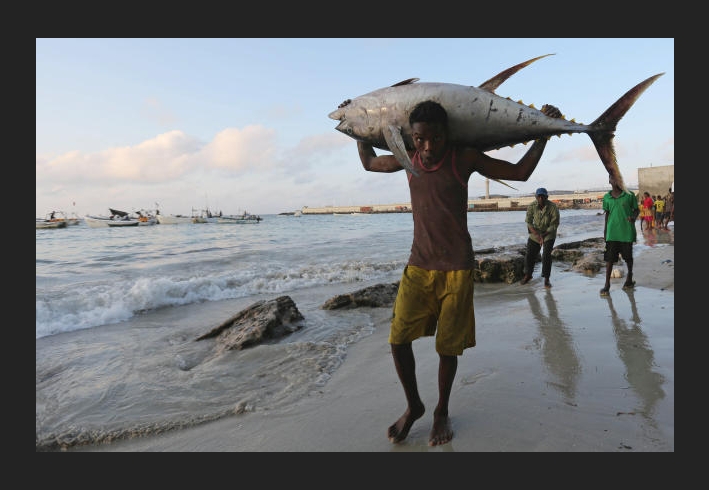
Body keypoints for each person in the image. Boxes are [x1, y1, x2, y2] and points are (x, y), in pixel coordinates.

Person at [357, 100, 562, 446]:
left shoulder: (461, 158)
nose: (427, 147)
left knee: (447, 348)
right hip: (418, 266)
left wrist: (544, 134)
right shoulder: (407, 158)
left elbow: (520, 172)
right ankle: (414, 405)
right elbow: (368, 162)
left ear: (446, 135)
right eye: (420, 139)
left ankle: (441, 411)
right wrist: (357, 122)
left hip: (456, 269)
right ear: (412, 136)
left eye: (435, 138)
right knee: (397, 340)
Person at [600, 174, 639, 296]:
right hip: (612, 233)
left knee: (628, 258)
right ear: (609, 181)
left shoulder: (629, 195)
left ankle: (630, 277)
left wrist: (633, 217)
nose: (615, 180)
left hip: (626, 232)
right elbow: (607, 214)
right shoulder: (606, 197)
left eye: (617, 178)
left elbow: (636, 209)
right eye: (612, 178)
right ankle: (607, 284)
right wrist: (605, 232)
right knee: (609, 259)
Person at [520, 187, 560, 288]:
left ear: (547, 197)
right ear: (536, 197)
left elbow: (554, 224)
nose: (541, 198)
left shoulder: (553, 207)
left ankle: (546, 279)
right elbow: (528, 222)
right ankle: (528, 275)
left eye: (543, 196)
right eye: (539, 196)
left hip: (548, 233)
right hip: (535, 233)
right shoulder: (532, 206)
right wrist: (537, 235)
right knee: (530, 253)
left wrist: (543, 236)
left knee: (546, 255)